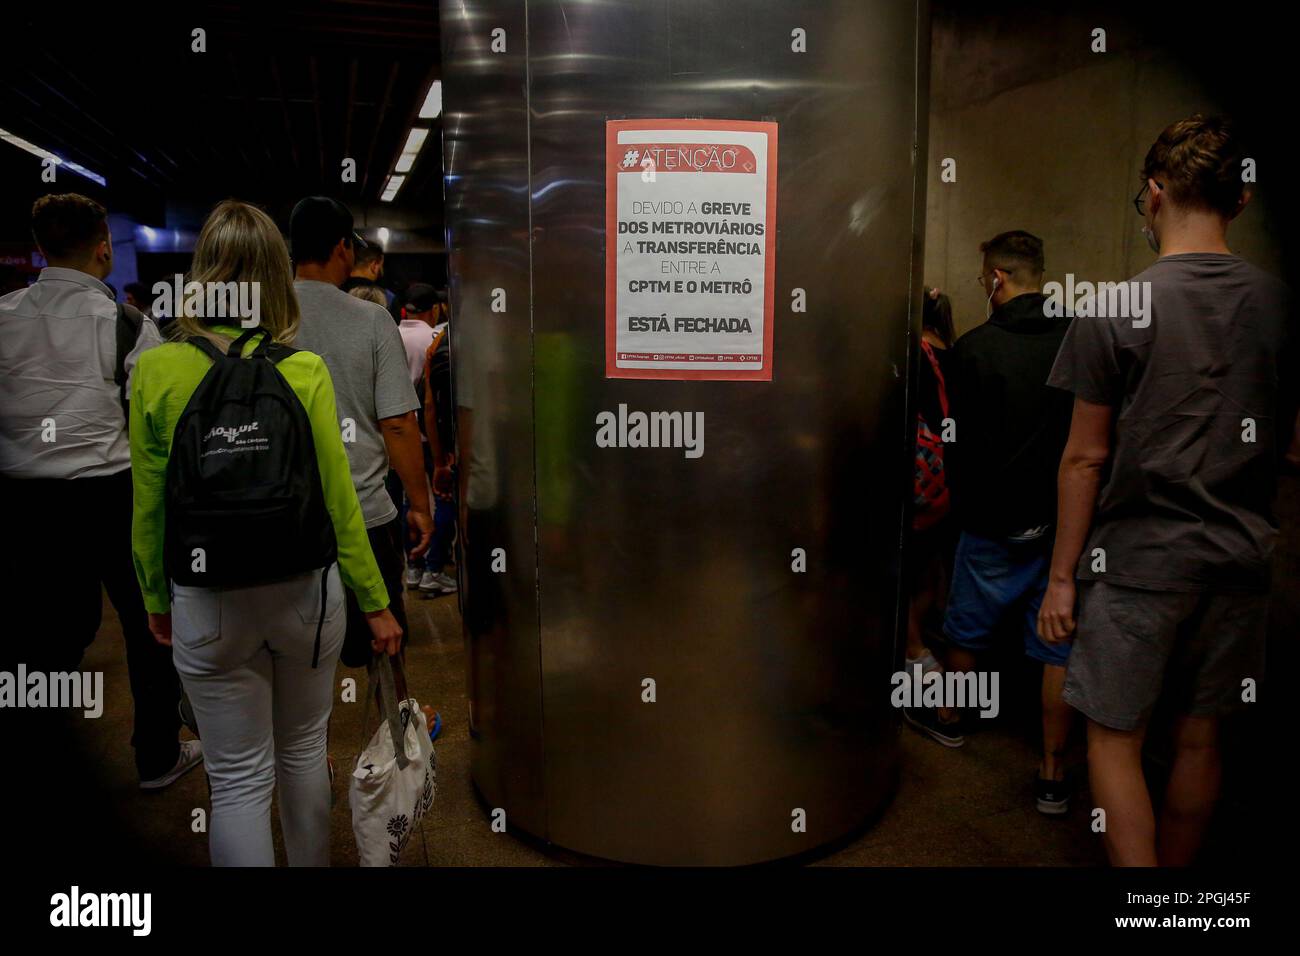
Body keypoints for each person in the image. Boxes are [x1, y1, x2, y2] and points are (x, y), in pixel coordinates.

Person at [1040, 115, 1297, 866]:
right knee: (1200, 735)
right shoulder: (1281, 306)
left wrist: (1060, 578)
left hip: (1138, 566)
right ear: (1240, 202)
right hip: (1240, 563)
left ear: (1153, 195)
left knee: (1115, 742)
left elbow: (1085, 460)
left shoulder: (1115, 309)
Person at [129, 199, 402, 866]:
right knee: (305, 750)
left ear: (205, 273)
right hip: (305, 592)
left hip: (208, 595)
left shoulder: (158, 368)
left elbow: (147, 504)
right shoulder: (300, 369)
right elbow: (339, 502)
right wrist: (375, 601)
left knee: (239, 779)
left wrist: (155, 599)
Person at [0, 193, 196, 791]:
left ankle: (42, 753)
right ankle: (157, 756)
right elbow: (155, 424)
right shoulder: (132, 327)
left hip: (24, 503)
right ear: (105, 248)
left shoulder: (3, 314)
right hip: (115, 495)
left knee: (42, 631)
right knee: (147, 625)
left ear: (39, 249)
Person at [905, 230, 1077, 817]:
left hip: (990, 524)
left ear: (997, 279)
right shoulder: (1079, 338)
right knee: (1056, 648)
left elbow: (959, 444)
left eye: (984, 278)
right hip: (1058, 526)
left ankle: (953, 718)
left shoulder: (974, 350)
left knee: (967, 632)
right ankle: (1053, 773)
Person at [289, 197, 433, 666]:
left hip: (285, 517)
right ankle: (386, 735)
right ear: (343, 249)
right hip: (365, 514)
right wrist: (419, 503)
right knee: (379, 648)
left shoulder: (266, 318)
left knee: (298, 659)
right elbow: (396, 422)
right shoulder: (371, 319)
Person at [905, 288, 956, 682]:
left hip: (917, 480)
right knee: (929, 568)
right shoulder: (952, 348)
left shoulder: (913, 351)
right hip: (947, 480)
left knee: (903, 571)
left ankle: (913, 650)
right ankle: (920, 641)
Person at [415, 290, 458, 596]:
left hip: (449, 445)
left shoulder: (437, 344)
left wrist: (440, 459)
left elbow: (429, 407)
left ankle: (429, 568)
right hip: (490, 450)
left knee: (444, 502)